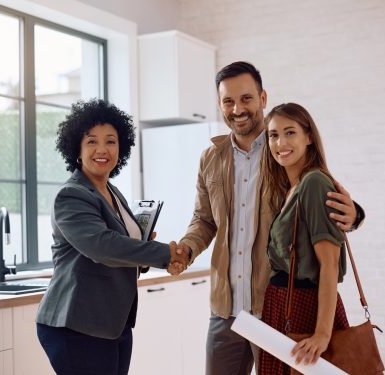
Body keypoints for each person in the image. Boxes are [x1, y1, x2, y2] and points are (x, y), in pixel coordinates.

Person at [175, 62, 364, 375]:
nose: (238, 109)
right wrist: (186, 249)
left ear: (262, 98)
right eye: (228, 101)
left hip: (276, 307)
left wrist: (356, 213)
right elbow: (204, 219)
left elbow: (316, 196)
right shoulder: (211, 158)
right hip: (225, 308)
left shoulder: (281, 151)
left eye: (246, 98)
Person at [36, 98, 188, 375]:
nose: (102, 149)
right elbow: (103, 247)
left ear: (122, 148)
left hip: (112, 321)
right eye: (92, 141)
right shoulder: (71, 195)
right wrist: (166, 254)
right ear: (77, 150)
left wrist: (142, 251)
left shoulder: (112, 192)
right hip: (76, 324)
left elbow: (123, 247)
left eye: (111, 141)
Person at [258, 102, 350, 374]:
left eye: (290, 133)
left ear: (309, 137)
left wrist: (322, 334)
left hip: (303, 306)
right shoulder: (291, 187)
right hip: (282, 303)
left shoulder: (313, 183)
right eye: (273, 135)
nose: (280, 142)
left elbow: (329, 264)